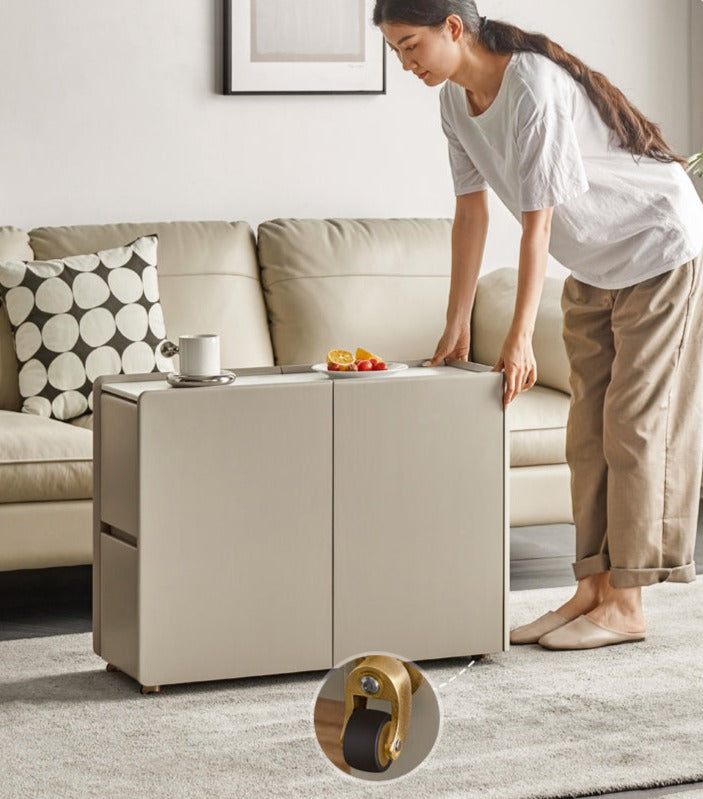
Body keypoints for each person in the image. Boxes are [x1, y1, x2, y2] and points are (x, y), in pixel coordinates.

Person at [373, 0, 703, 650]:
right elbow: (471, 213)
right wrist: (455, 323)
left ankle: (628, 602)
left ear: (452, 27)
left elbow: (537, 223)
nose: (406, 63)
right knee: (586, 433)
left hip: (657, 247)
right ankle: (591, 589)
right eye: (395, 51)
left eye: (410, 45)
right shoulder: (454, 102)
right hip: (596, 263)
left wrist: (519, 335)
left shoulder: (532, 84)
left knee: (633, 424)